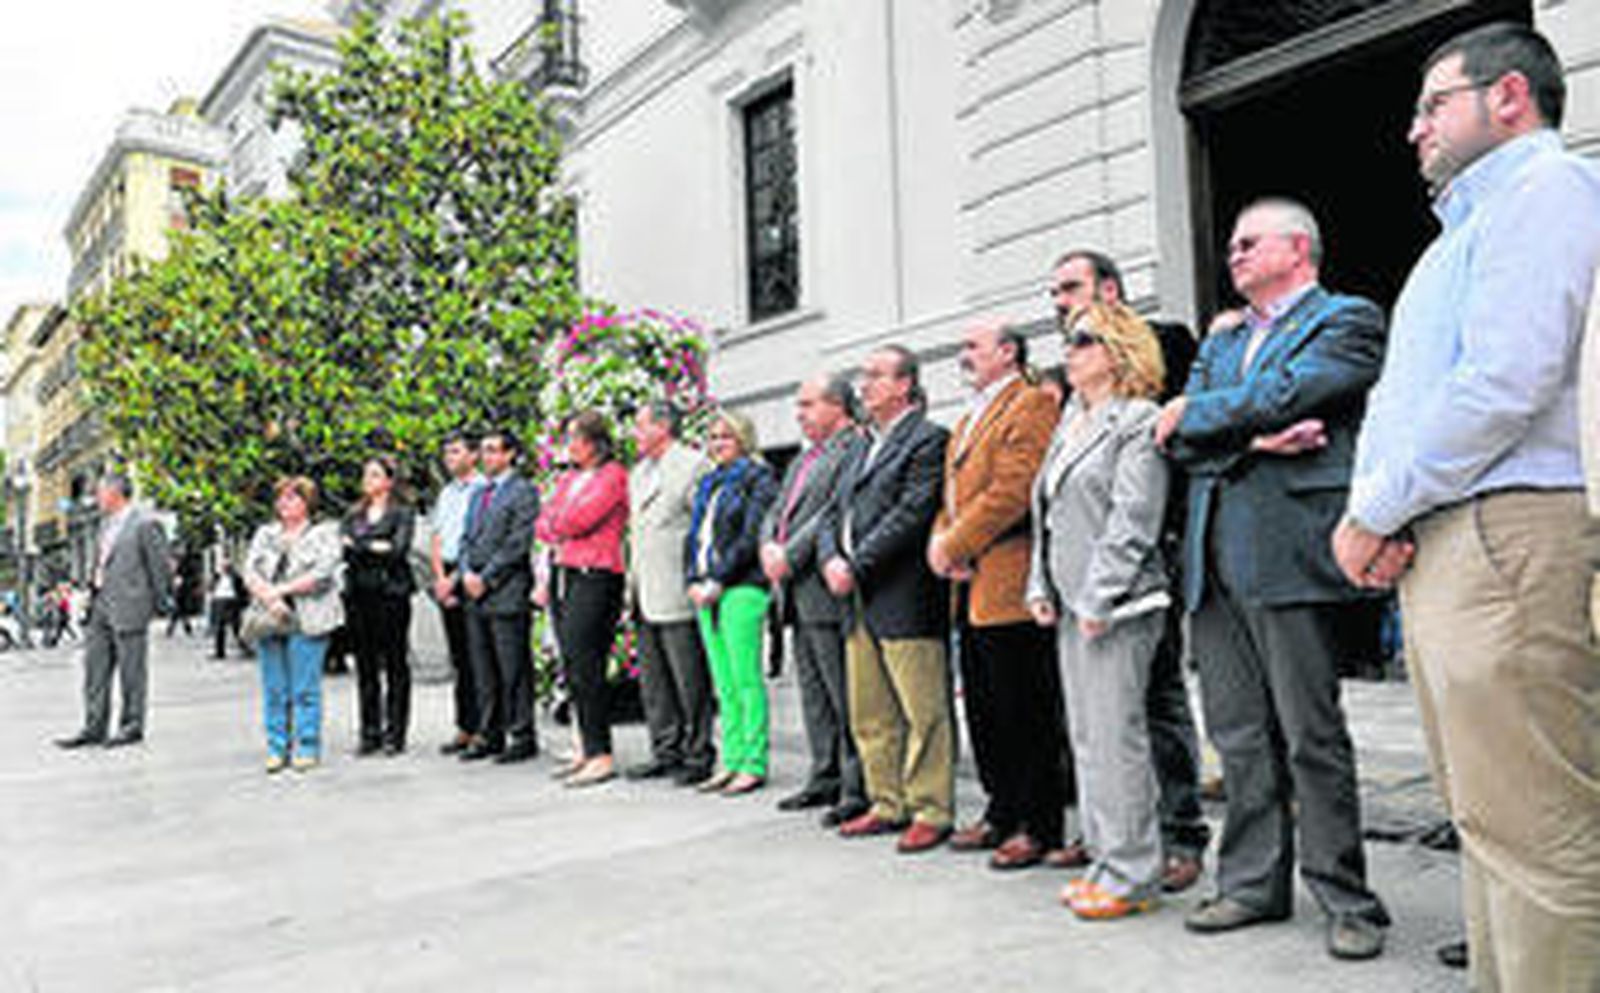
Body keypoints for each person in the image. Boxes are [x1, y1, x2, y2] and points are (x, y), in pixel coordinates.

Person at [1333, 23, 1600, 991]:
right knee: (1489, 823)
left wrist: (1376, 508)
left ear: (1509, 96)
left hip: (1509, 527)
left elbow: (1502, 382)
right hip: (1460, 531)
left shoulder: (1546, 191)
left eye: (1430, 103)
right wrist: (1390, 511)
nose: (1412, 129)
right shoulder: (1469, 226)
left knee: (1536, 830)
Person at [1156, 198, 1390, 959]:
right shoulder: (1221, 340)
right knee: (1240, 735)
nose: (1234, 254)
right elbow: (1179, 439)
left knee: (1310, 733)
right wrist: (1252, 434)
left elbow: (1297, 394)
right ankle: (1253, 883)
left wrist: (1209, 416)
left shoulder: (1346, 318)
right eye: (1231, 245)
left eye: (1249, 243)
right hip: (1212, 556)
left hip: (1287, 554)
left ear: (1299, 247)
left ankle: (1346, 897)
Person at [1051, 247, 1210, 891]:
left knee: (1152, 712)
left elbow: (1141, 500)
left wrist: (1104, 590)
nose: (1060, 303)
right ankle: (1109, 846)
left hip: (1139, 571)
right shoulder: (1069, 408)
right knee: (1095, 729)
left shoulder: (1164, 347)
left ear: (1110, 294)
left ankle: (1172, 839)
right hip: (1078, 581)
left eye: (1071, 289)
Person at [1027, 303, 1170, 919]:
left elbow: (1134, 518)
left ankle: (1134, 874)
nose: (1070, 349)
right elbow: (1047, 514)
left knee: (1117, 739)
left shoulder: (1137, 420)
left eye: (1083, 340)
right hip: (1068, 605)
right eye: (1067, 340)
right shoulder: (1071, 421)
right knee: (1087, 739)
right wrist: (1040, 584)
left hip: (1118, 604)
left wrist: (1099, 595)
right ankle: (1106, 861)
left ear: (1117, 350)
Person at [931, 321, 1067, 870]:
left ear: (1008, 352)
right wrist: (943, 541)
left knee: (1024, 711)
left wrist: (956, 543)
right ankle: (1000, 809)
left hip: (1009, 583)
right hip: (969, 586)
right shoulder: (967, 419)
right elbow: (953, 496)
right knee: (985, 710)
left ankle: (1038, 823)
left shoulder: (1030, 403)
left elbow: (1013, 490)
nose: (963, 355)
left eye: (973, 347)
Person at [820, 345, 954, 855]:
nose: (864, 385)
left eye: (875, 376)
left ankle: (930, 808)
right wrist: (832, 556)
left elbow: (912, 512)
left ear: (904, 385)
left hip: (903, 594)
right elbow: (834, 512)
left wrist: (855, 565)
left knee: (924, 712)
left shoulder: (927, 439)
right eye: (863, 375)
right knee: (871, 712)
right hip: (855, 598)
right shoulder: (860, 446)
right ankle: (886, 801)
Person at [760, 373, 869, 825]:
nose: (799, 413)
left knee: (843, 693)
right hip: (795, 593)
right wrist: (768, 544)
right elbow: (776, 510)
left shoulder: (853, 449)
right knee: (813, 693)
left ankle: (854, 784)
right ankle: (822, 774)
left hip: (823, 588)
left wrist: (790, 553)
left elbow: (832, 511)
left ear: (838, 407)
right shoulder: (805, 458)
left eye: (808, 404)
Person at [684, 410, 779, 796]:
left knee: (745, 679)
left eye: (725, 437)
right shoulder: (709, 482)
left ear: (743, 439)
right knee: (723, 683)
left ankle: (753, 762)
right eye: (712, 437)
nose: (717, 444)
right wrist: (693, 578)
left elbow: (749, 536)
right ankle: (732, 758)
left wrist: (718, 580)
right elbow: (695, 537)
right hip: (705, 589)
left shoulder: (758, 479)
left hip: (741, 587)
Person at [536, 412, 629, 788]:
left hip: (597, 574)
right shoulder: (570, 478)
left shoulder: (613, 476)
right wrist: (558, 522)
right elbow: (545, 522)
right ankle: (585, 746)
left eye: (575, 439)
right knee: (572, 663)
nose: (569, 447)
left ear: (595, 443)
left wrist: (559, 522)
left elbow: (579, 520)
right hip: (566, 572)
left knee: (588, 663)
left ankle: (601, 753)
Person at [625, 402, 717, 786]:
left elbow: (706, 529)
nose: (635, 433)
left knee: (689, 678)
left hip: (679, 588)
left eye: (641, 425)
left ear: (663, 427)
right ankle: (665, 749)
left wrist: (703, 578)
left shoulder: (693, 464)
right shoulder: (638, 472)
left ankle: (698, 753)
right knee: (654, 680)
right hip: (645, 588)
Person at [54, 473, 173, 750]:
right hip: (100, 605)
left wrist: (159, 603)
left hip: (131, 606)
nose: (96, 498)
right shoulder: (104, 525)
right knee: (94, 670)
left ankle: (131, 725)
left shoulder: (145, 523)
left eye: (100, 492)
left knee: (132, 671)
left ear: (115, 493)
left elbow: (160, 567)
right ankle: (94, 726)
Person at [243, 477, 344, 773]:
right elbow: (249, 569)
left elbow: (324, 572)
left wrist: (281, 591)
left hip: (307, 616)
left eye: (292, 498)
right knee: (275, 688)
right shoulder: (265, 534)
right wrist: (268, 596)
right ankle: (276, 746)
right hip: (269, 615)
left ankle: (307, 745)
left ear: (307, 503)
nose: (284, 504)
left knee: (304, 688)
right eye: (281, 498)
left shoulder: (324, 533)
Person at [458, 427, 542, 764]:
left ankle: (521, 734)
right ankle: (489, 732)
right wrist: (465, 572)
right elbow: (465, 539)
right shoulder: (479, 494)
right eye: (484, 450)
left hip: (505, 590)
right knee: (483, 668)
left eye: (494, 450)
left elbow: (518, 542)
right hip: (474, 592)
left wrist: (487, 577)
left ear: (510, 454)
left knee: (513, 668)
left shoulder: (523, 491)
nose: (487, 456)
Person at [341, 456, 416, 756]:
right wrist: (373, 545)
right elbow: (346, 548)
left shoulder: (402, 513)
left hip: (392, 593)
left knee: (395, 663)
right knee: (366, 665)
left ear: (388, 480)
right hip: (359, 594)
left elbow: (398, 550)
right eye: (365, 474)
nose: (368, 480)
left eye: (374, 474)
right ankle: (369, 732)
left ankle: (395, 733)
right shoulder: (354, 513)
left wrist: (363, 545)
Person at [428, 432, 484, 755]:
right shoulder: (446, 493)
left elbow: (475, 539)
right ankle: (464, 726)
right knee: (459, 659)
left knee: (478, 658)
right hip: (446, 575)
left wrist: (455, 579)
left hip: (469, 574)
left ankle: (483, 726)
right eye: (446, 452)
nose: (449, 458)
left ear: (472, 455)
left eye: (455, 451)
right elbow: (437, 537)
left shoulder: (481, 491)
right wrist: (439, 578)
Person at [208, 558, 244, 660]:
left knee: (236, 626)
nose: (224, 568)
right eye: (223, 566)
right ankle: (219, 652)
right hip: (219, 601)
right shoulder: (216, 576)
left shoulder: (235, 576)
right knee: (219, 627)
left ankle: (244, 647)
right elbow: (211, 587)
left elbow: (241, 588)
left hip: (232, 601)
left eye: (227, 566)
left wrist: (241, 601)